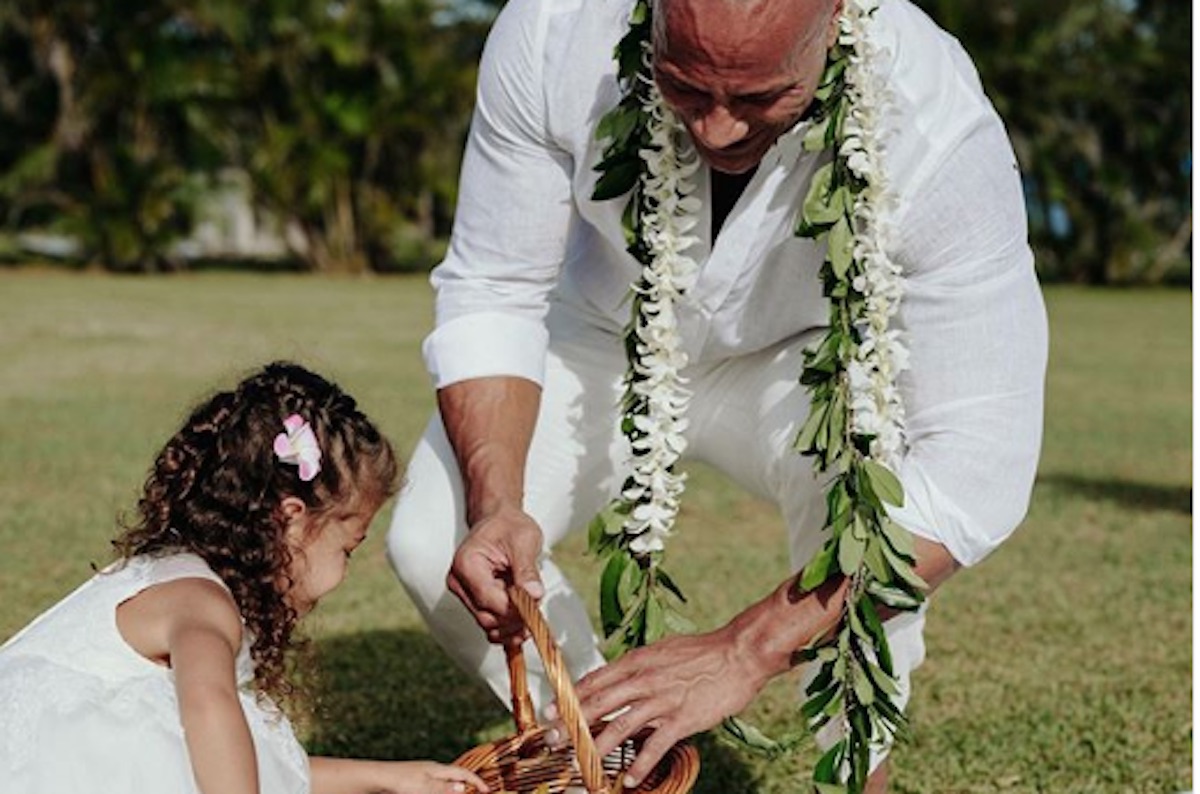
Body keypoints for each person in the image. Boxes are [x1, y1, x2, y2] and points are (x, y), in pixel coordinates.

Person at [386, 0, 1048, 790]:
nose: (717, 132)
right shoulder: (556, 30)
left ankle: (858, 775)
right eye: (684, 88)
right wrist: (497, 502)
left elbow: (977, 470)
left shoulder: (939, 129)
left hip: (807, 360)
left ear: (834, 18)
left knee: (871, 495)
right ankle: (612, 753)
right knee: (434, 535)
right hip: (607, 328)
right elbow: (494, 286)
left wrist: (746, 648)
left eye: (760, 98)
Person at [0, 361, 488, 794]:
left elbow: (252, 767)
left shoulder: (175, 577)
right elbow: (209, 709)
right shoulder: (202, 603)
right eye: (348, 548)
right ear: (291, 519)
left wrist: (392, 778)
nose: (346, 570)